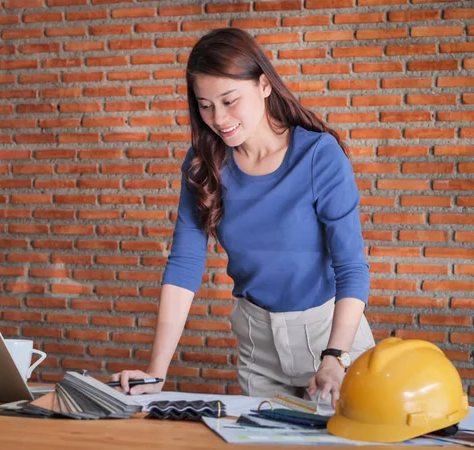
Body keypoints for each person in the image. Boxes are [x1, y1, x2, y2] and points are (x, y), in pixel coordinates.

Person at [109, 27, 375, 408]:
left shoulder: (319, 155)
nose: (218, 118)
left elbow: (352, 267)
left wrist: (336, 357)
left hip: (331, 339)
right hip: (258, 345)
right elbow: (185, 264)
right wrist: (157, 370)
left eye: (230, 100)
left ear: (264, 85)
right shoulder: (204, 165)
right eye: (205, 105)